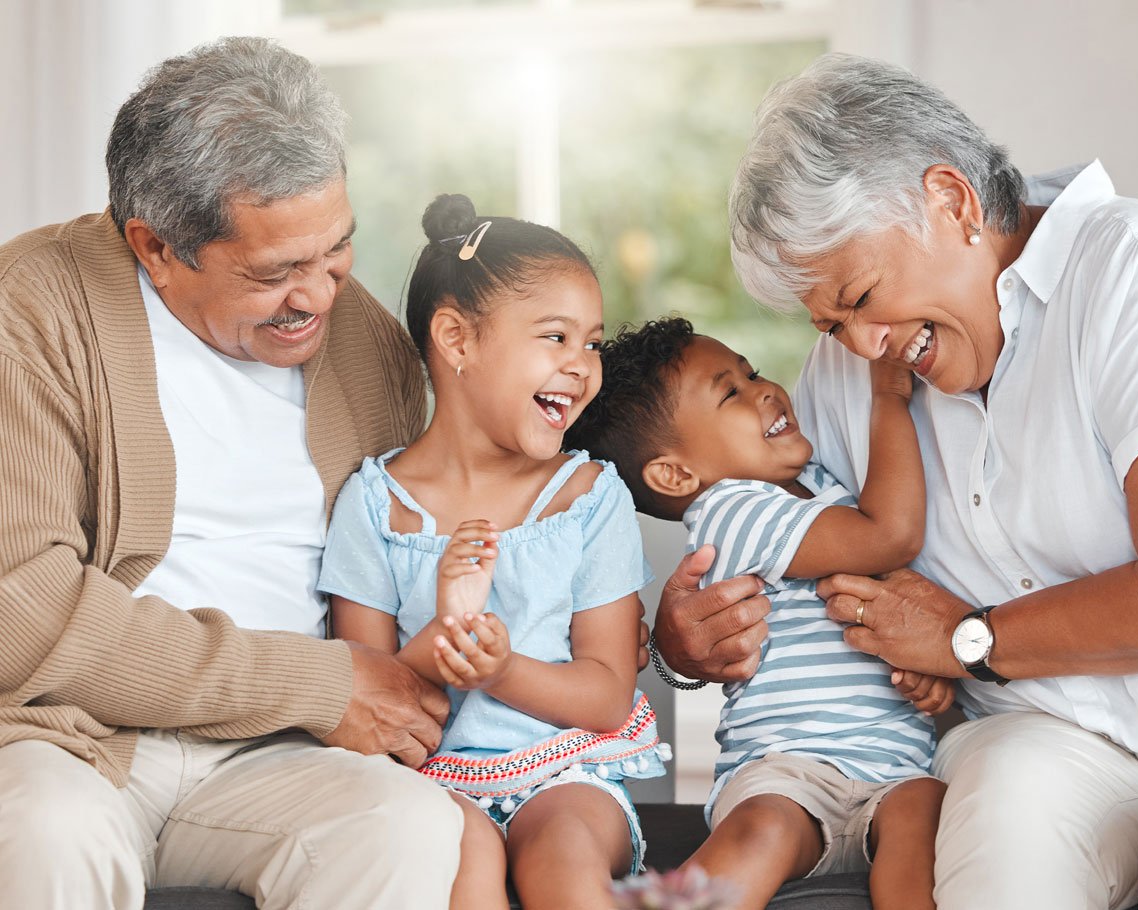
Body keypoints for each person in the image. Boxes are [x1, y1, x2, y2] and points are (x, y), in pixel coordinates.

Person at [655, 51, 1138, 910]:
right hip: (1033, 735)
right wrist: (686, 644)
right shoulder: (847, 377)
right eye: (831, 322)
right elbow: (795, 563)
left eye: (864, 296)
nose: (863, 343)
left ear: (951, 202)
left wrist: (969, 639)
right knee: (999, 857)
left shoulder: (1129, 266)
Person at [0, 38, 467, 909]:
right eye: (274, 272)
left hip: (285, 755)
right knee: (42, 833)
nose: (319, 294)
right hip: (69, 740)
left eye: (336, 250)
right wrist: (315, 684)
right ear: (156, 246)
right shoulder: (29, 308)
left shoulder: (365, 344)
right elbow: (21, 609)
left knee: (403, 825)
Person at [317, 193, 667, 910]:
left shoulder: (589, 496)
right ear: (456, 339)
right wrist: (448, 636)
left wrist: (499, 668)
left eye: (592, 343)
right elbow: (367, 696)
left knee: (563, 859)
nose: (581, 367)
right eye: (555, 337)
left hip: (566, 774)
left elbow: (606, 696)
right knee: (458, 859)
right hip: (426, 780)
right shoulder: (375, 507)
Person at [567, 316, 948, 910]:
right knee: (763, 831)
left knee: (926, 819)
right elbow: (893, 535)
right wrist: (889, 397)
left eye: (752, 372)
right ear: (676, 475)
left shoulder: (821, 485)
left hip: (895, 767)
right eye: (731, 394)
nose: (764, 389)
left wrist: (923, 673)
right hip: (786, 767)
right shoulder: (731, 510)